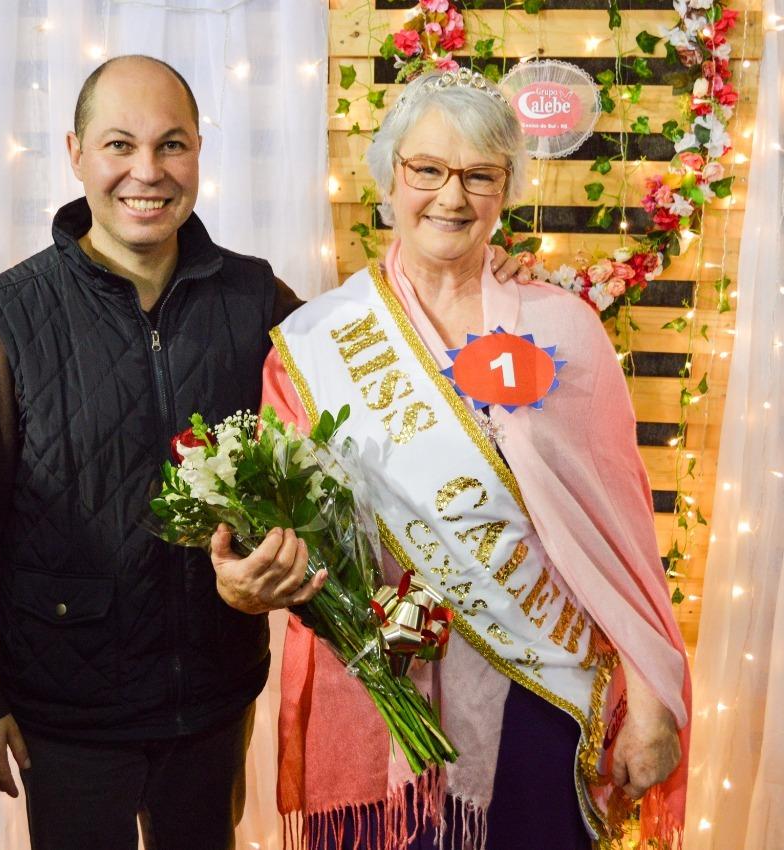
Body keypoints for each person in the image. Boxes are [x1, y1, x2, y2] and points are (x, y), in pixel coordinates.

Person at [0, 56, 526, 850]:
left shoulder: (253, 298)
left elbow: (376, 357)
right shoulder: (8, 317)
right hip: (68, 711)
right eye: (120, 146)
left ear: (200, 151)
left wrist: (488, 284)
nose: (147, 171)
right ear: (75, 153)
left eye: (172, 145)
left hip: (211, 698)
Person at [215, 69, 690, 849]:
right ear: (389, 178)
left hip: (539, 688)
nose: (451, 197)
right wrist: (252, 577)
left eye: (479, 175)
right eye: (427, 170)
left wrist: (650, 701)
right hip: (380, 699)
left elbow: (622, 546)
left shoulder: (563, 330)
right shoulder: (317, 340)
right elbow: (286, 527)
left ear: (506, 190)